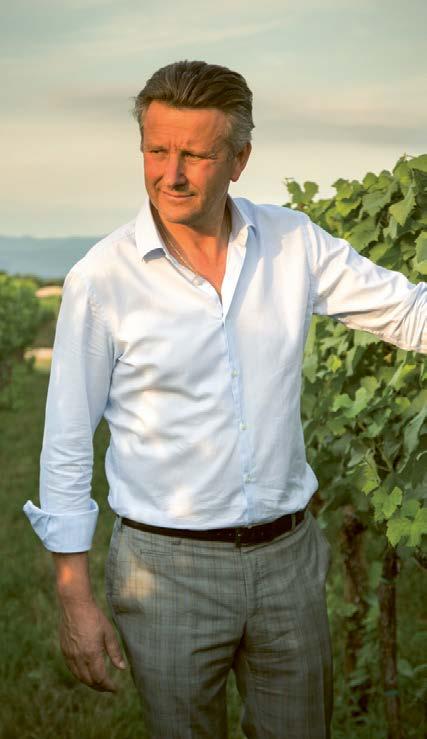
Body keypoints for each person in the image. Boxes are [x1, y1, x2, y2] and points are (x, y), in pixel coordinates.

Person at [24, 60, 426, 739]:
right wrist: (74, 598)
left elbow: (408, 313)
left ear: (239, 159)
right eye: (156, 150)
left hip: (289, 563)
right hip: (162, 573)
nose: (171, 174)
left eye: (195, 155)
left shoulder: (293, 242)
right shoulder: (101, 279)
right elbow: (66, 441)